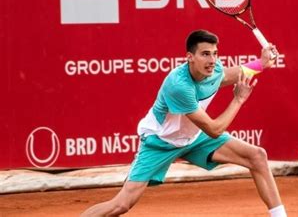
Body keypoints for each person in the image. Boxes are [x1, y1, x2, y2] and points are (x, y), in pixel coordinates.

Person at [81, 29, 286, 217]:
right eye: (205, 54)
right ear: (190, 57)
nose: (212, 59)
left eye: (215, 53)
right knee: (121, 205)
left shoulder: (213, 69)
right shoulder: (179, 86)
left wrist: (261, 63)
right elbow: (214, 129)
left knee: (257, 156)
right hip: (160, 142)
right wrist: (238, 99)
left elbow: (227, 76)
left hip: (194, 137)